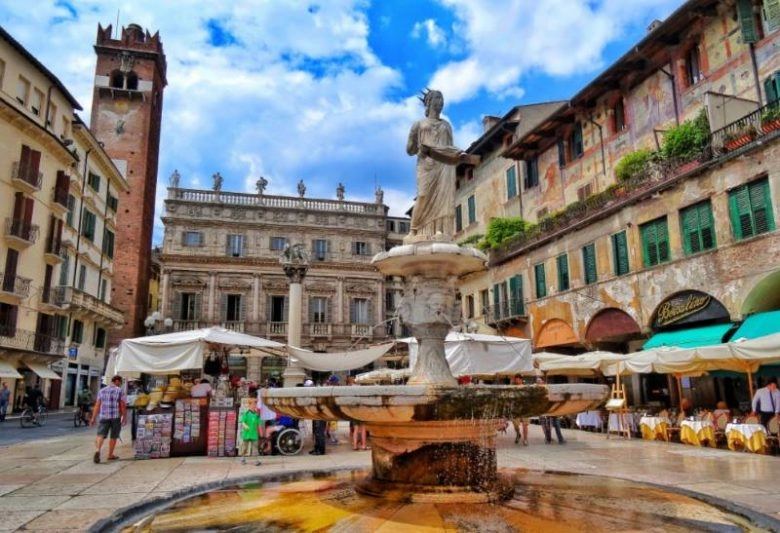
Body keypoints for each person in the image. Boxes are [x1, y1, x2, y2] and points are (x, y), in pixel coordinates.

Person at [406, 89, 474, 239]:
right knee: (423, 196)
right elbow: (409, 150)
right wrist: (419, 147)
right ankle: (414, 231)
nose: (440, 102)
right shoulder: (418, 124)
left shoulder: (446, 125)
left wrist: (460, 154)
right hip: (426, 164)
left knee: (444, 198)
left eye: (442, 99)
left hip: (444, 165)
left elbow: (449, 147)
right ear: (429, 102)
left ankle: (440, 230)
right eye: (437, 98)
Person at [90, 375, 127, 463]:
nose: (120, 384)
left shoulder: (102, 391)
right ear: (117, 381)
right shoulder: (119, 391)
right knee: (113, 436)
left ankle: (98, 450)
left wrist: (93, 418)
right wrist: (124, 417)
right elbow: (122, 405)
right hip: (115, 417)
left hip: (104, 416)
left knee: (100, 435)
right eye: (120, 382)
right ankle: (110, 455)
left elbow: (97, 405)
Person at [239, 398, 263, 465]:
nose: (254, 405)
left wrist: (261, 432)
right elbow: (242, 422)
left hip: (254, 434)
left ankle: (256, 461)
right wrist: (245, 425)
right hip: (246, 434)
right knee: (244, 447)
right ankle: (243, 459)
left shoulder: (257, 415)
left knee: (255, 448)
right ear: (249, 405)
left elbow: (259, 424)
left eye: (255, 403)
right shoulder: (246, 413)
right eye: (253, 403)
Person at [511, 374, 529, 446]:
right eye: (516, 379)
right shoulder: (513, 388)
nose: (517, 381)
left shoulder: (526, 387)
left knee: (525, 425)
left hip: (525, 408)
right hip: (516, 409)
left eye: (518, 379)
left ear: (521, 380)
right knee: (515, 425)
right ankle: (518, 434)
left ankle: (525, 439)